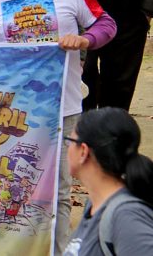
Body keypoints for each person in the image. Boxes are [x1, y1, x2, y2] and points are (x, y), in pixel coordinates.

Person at [0, 0, 118, 254]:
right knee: (11, 188)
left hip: (61, 109)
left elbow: (106, 23)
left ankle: (59, 249)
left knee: (59, 191)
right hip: (11, 115)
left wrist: (85, 39)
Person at [63, 107, 153, 256]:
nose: (67, 148)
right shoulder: (95, 204)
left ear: (83, 151)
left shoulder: (126, 217)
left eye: (69, 141)